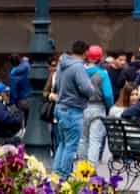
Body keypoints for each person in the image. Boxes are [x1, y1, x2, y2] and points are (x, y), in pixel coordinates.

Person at [52, 40, 100, 179]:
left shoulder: (62, 65)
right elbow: (87, 89)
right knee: (71, 146)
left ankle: (56, 175)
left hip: (60, 107)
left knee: (62, 144)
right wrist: (91, 88)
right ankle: (64, 178)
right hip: (73, 110)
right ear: (85, 52)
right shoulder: (78, 67)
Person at [83, 45, 115, 167]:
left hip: (83, 107)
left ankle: (82, 166)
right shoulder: (103, 74)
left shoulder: (81, 72)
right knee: (95, 140)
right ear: (99, 58)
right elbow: (108, 95)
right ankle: (91, 169)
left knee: (83, 139)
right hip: (98, 108)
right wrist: (109, 106)